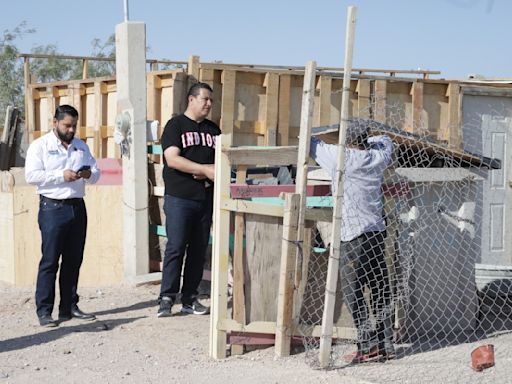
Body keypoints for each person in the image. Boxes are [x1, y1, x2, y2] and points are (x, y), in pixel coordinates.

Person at [309, 119, 395, 362]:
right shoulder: (377, 157)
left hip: (352, 236)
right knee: (379, 289)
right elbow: (386, 141)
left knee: (354, 292)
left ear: (346, 140)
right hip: (377, 234)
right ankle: (385, 343)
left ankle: (367, 347)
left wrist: (325, 134)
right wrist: (370, 137)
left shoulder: (340, 157)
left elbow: (310, 144)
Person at [25, 104, 101, 327]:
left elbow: (96, 174)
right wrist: (61, 175)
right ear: (55, 122)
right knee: (50, 261)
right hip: (52, 208)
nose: (71, 130)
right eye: (67, 125)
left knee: (73, 260)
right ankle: (44, 311)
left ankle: (68, 307)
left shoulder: (81, 146)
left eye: (74, 126)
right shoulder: (40, 146)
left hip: (77, 208)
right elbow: (31, 175)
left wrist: (88, 174)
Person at [157, 82, 221, 317]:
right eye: (205, 99)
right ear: (191, 100)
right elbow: (172, 159)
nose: (209, 104)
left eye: (211, 100)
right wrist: (204, 169)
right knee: (175, 247)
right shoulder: (176, 125)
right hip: (180, 197)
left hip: (205, 197)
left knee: (198, 249)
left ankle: (190, 298)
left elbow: (222, 161)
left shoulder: (214, 130)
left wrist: (207, 171)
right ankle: (166, 298)